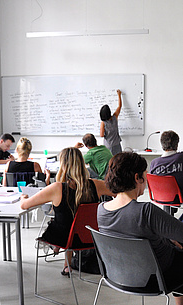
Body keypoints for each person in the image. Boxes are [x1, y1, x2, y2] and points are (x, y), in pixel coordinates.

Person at [98, 152, 183, 305]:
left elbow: (133, 233)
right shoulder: (146, 211)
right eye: (145, 175)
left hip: (118, 276)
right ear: (137, 178)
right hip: (157, 278)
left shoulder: (101, 210)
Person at [20, 147, 113, 276]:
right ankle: (66, 265)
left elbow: (24, 206)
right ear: (81, 163)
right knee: (72, 222)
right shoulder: (95, 185)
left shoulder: (57, 188)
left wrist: (22, 198)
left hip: (62, 238)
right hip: (88, 237)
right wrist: (107, 208)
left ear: (62, 165)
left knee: (63, 223)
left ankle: (56, 248)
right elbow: (119, 192)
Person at [100, 89, 122, 155]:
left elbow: (101, 135)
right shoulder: (115, 117)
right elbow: (119, 106)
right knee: (119, 161)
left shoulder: (103, 123)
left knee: (110, 162)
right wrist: (119, 95)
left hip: (108, 145)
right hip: (117, 144)